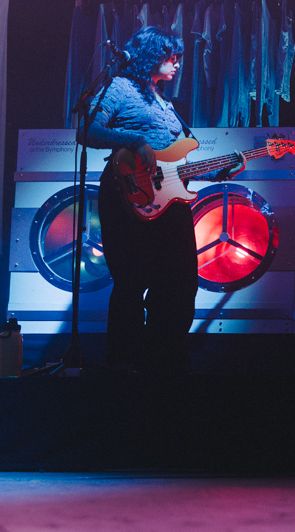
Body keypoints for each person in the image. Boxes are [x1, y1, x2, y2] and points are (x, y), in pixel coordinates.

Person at [77, 26, 241, 374]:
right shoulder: (120, 87)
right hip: (128, 194)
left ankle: (164, 359)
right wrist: (135, 140)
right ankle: (123, 361)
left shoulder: (168, 105)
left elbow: (176, 165)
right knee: (133, 279)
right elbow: (88, 131)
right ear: (152, 55)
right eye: (172, 57)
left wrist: (216, 172)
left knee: (180, 281)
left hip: (171, 205)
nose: (177, 64)